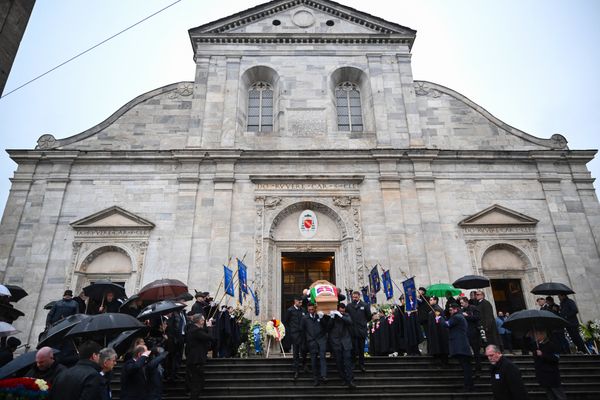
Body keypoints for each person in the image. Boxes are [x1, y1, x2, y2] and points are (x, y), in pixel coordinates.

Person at [446, 303, 474, 392]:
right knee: (466, 367)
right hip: (463, 346)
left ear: (455, 309)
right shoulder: (460, 316)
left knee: (466, 368)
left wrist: (439, 318)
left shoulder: (456, 317)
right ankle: (469, 385)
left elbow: (447, 324)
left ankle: (468, 386)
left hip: (461, 347)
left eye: (451, 310)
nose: (450, 312)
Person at [185, 314, 214, 400]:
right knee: (197, 383)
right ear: (200, 321)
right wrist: (209, 327)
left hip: (194, 359)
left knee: (199, 382)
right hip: (196, 360)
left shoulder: (194, 329)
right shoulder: (195, 331)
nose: (204, 321)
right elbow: (209, 337)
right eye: (203, 320)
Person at [532, 330, 567, 400]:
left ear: (542, 335)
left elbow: (555, 358)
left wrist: (542, 355)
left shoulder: (551, 345)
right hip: (543, 376)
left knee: (559, 395)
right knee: (550, 396)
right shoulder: (537, 346)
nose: (535, 336)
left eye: (536, 334)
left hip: (551, 375)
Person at [328, 303, 355, 388]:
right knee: (339, 363)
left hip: (346, 343)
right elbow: (328, 327)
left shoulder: (346, 315)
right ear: (338, 309)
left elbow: (350, 322)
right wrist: (332, 317)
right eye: (340, 310)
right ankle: (343, 379)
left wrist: (341, 316)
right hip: (336, 343)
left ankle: (350, 380)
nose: (342, 311)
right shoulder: (333, 316)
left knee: (347, 362)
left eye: (343, 310)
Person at [302, 303, 329, 385]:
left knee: (322, 357)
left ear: (315, 309)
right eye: (309, 310)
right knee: (313, 361)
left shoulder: (319, 316)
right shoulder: (305, 318)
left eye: (312, 309)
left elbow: (326, 327)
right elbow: (302, 330)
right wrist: (307, 341)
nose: (311, 311)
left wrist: (321, 318)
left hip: (321, 340)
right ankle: (315, 379)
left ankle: (323, 376)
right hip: (312, 341)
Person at [346, 290, 372, 372]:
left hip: (361, 331)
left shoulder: (365, 305)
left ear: (359, 297)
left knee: (361, 349)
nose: (354, 298)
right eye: (353, 297)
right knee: (353, 348)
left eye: (356, 297)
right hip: (352, 331)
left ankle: (361, 364)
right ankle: (353, 363)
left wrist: (362, 323)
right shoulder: (349, 306)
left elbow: (369, 317)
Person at [284, 295, 306, 379]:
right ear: (295, 301)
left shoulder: (303, 310)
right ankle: (296, 371)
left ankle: (304, 365)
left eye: (301, 302)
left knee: (303, 350)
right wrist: (290, 332)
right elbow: (286, 322)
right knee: (296, 353)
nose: (300, 303)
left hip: (302, 334)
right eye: (299, 302)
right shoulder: (290, 310)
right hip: (294, 334)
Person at [459, 296, 482, 374]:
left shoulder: (473, 308)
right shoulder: (462, 310)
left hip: (474, 333)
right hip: (465, 333)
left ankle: (478, 369)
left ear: (466, 302)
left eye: (462, 303)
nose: (461, 304)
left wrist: (467, 316)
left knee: (476, 352)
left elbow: (478, 317)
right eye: (460, 303)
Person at [426, 296, 449, 365]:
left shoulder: (437, 309)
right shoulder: (433, 309)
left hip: (438, 332)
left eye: (431, 300)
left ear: (435, 301)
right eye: (429, 300)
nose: (429, 301)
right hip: (435, 331)